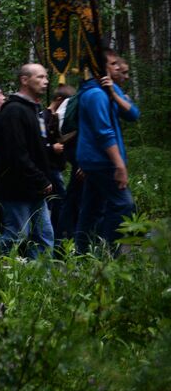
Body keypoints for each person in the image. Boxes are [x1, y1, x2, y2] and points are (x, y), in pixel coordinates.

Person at [74, 50, 138, 253]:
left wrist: (114, 95)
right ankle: (110, 252)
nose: (117, 67)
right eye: (112, 64)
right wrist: (119, 165)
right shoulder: (94, 94)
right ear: (99, 67)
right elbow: (104, 132)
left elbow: (134, 114)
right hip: (102, 161)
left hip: (94, 161)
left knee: (91, 209)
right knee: (123, 204)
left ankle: (82, 253)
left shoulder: (107, 90)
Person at [0, 64, 56, 256]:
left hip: (34, 188)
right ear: (25, 80)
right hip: (16, 187)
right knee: (16, 235)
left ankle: (41, 280)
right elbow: (16, 152)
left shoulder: (34, 110)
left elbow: (37, 149)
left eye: (46, 77)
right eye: (39, 77)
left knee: (44, 235)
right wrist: (40, 178)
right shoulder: (14, 111)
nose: (45, 81)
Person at [43, 85, 73, 239]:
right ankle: (60, 238)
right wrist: (51, 147)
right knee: (60, 201)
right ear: (59, 100)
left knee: (57, 203)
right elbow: (39, 142)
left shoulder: (57, 117)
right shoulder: (44, 116)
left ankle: (58, 235)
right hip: (49, 168)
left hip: (56, 167)